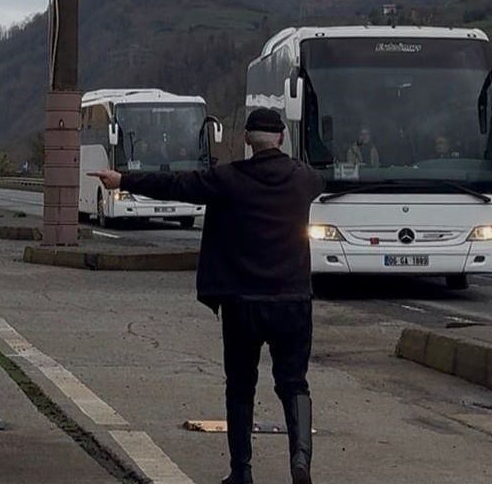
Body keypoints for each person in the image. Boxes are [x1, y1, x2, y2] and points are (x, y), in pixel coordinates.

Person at [90, 108, 324, 484]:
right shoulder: (305, 180)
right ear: (282, 138)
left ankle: (241, 472)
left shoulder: (227, 179)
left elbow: (176, 185)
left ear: (246, 139)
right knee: (294, 383)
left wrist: (123, 179)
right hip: (292, 301)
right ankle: (300, 460)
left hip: (240, 301)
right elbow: (323, 177)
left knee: (241, 385)